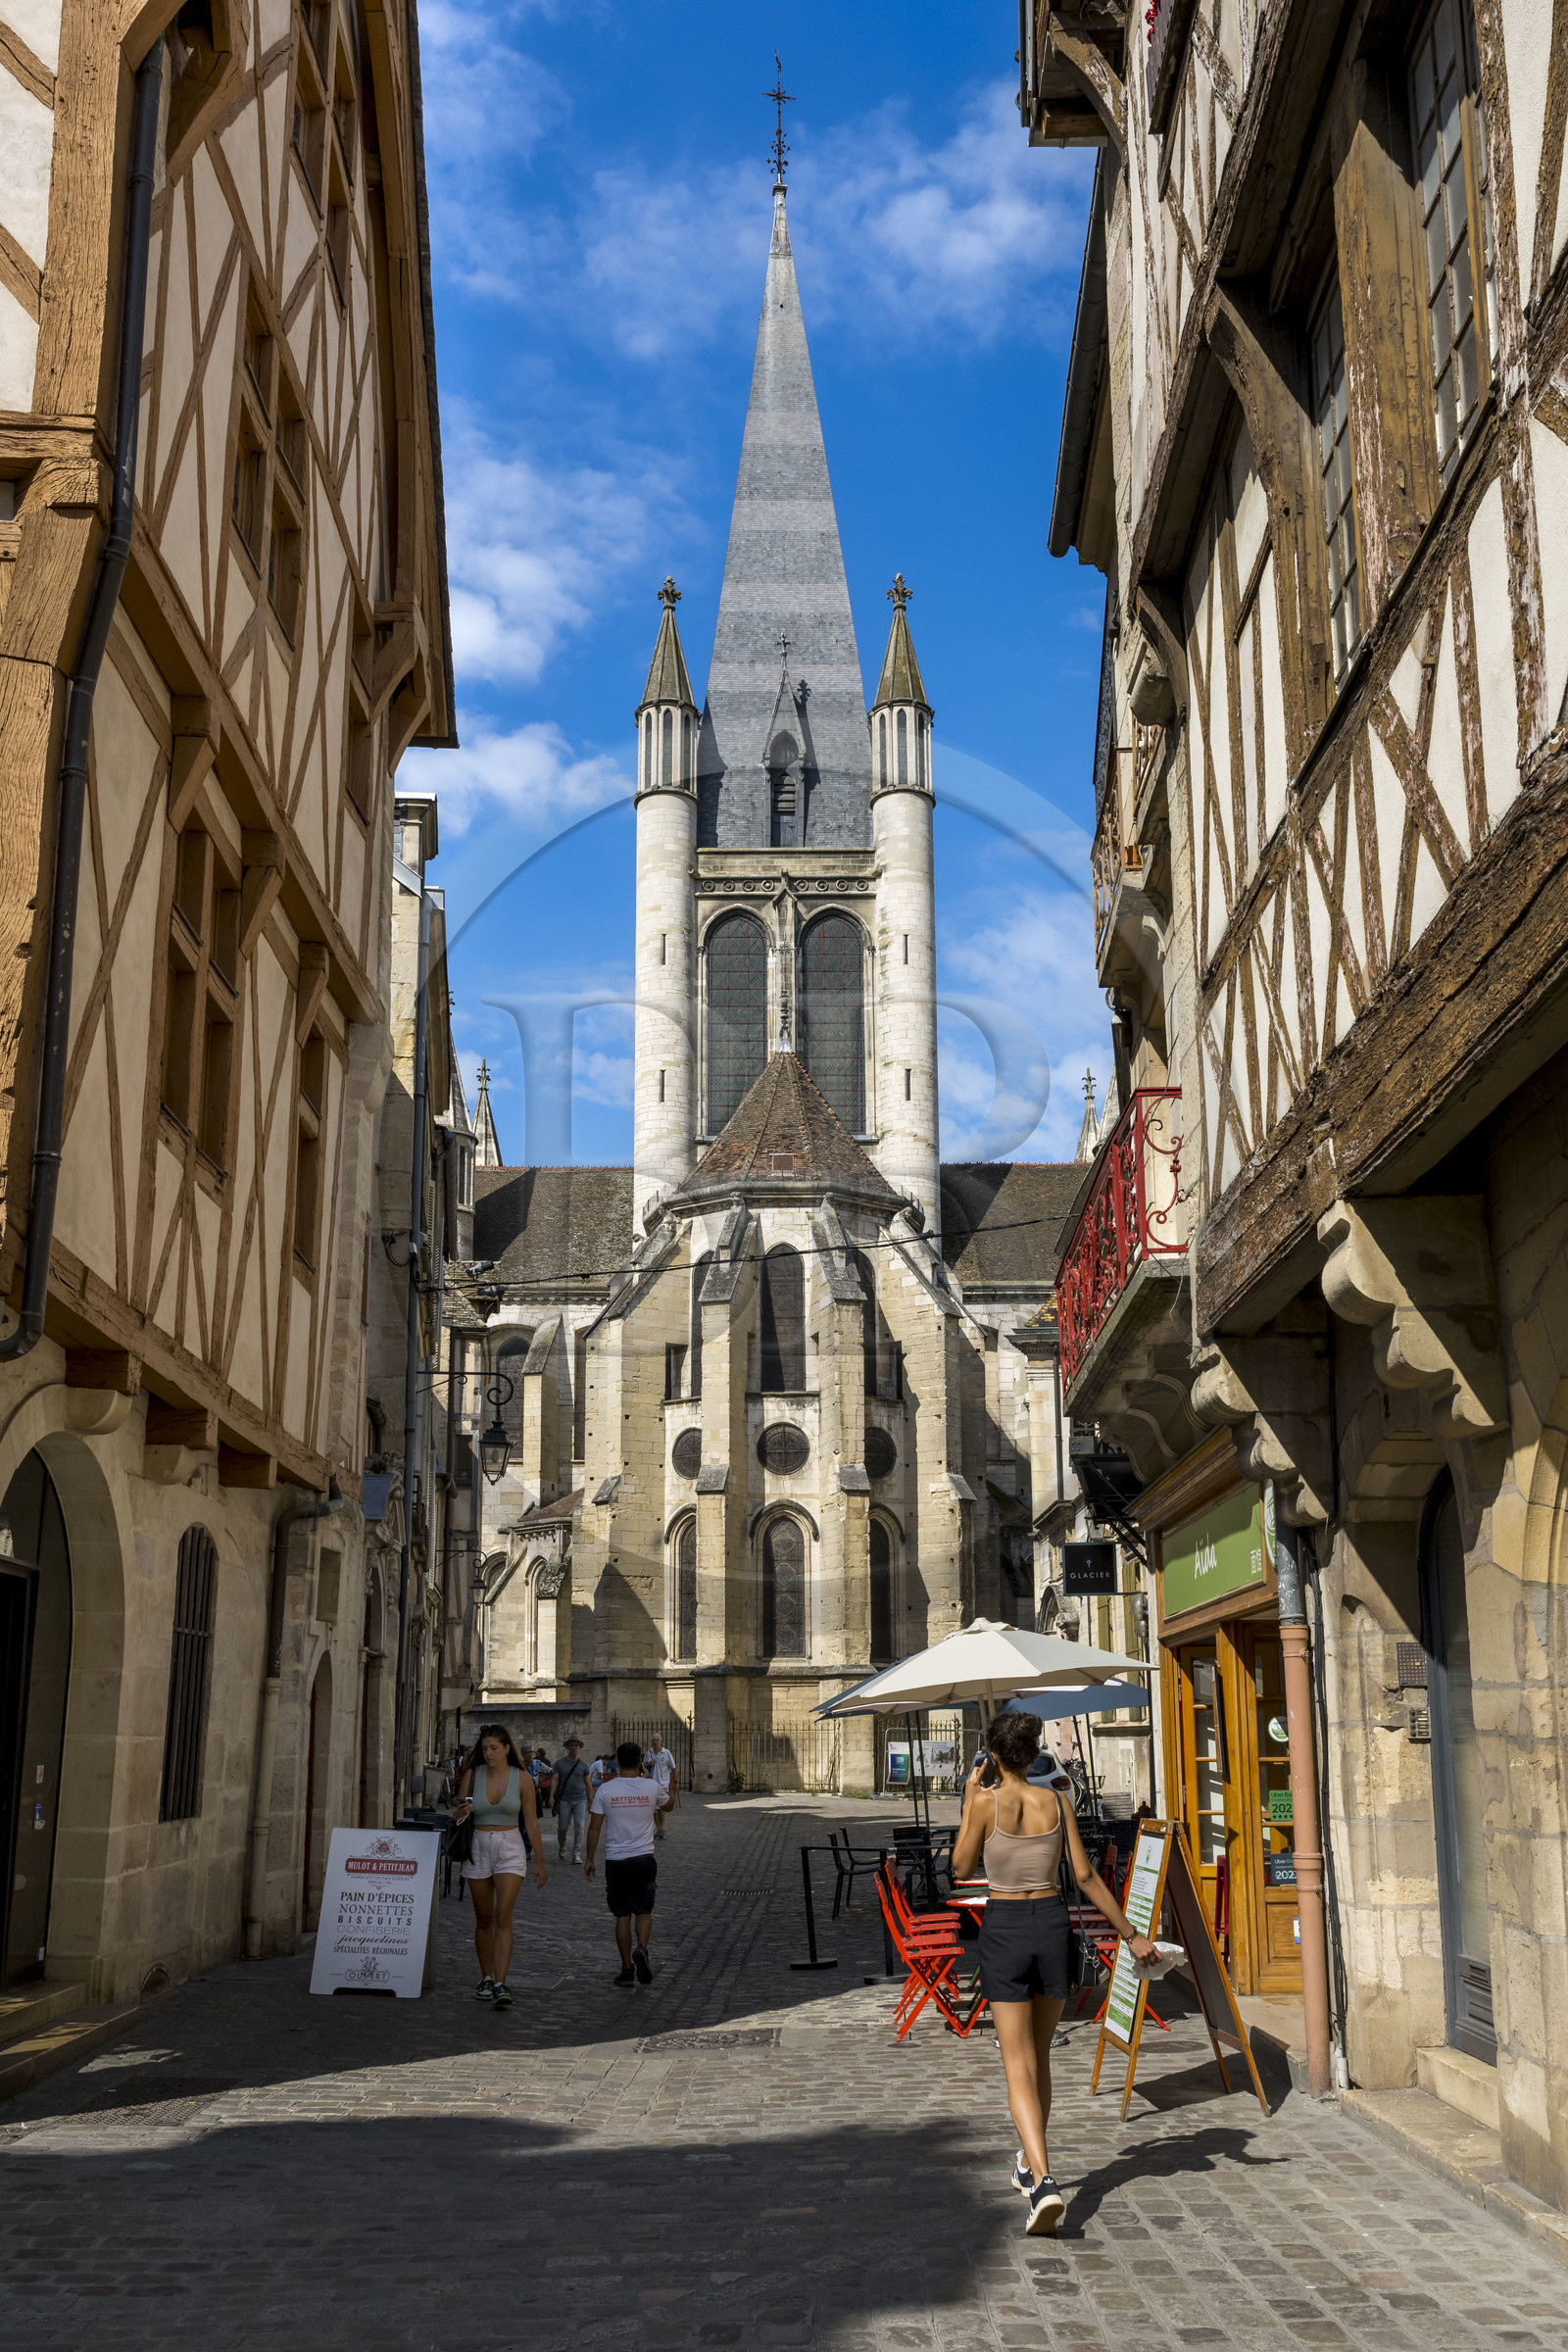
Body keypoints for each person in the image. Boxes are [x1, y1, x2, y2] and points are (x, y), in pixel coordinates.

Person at [951, 1710, 1156, 2237]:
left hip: (1005, 1926)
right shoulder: (1059, 1802)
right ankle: (1028, 2161)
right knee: (1039, 2058)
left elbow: (961, 1867)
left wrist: (969, 1797)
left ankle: (1043, 2180)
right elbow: (1084, 1877)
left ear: (993, 1755)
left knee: (1016, 2063)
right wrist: (1131, 1935)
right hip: (1050, 1925)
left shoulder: (984, 1801)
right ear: (1034, 1752)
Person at [452, 1722, 548, 2008]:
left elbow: (530, 1821)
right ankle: (485, 1976)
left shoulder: (522, 1779)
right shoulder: (473, 1774)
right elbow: (457, 1813)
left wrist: (540, 1861)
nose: (489, 1752)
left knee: (503, 1915)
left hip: (510, 1846)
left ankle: (500, 1983)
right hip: (478, 1843)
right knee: (484, 1918)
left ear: (507, 1748)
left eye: (494, 1748)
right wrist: (462, 1809)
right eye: (484, 1748)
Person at [584, 1739, 673, 1985]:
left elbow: (594, 1828)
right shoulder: (650, 1787)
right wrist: (648, 1778)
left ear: (618, 1762)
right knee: (644, 1910)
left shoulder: (605, 1790)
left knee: (622, 1915)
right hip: (643, 1857)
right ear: (640, 1762)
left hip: (616, 1860)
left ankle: (626, 1969)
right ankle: (642, 1947)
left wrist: (590, 1858)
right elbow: (671, 1806)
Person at [552, 1736, 591, 1862]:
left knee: (579, 1826)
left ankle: (576, 1853)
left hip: (580, 1799)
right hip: (564, 1799)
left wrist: (590, 1799)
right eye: (571, 1745)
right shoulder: (559, 1763)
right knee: (562, 1827)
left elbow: (587, 1783)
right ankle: (562, 1845)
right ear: (567, 1747)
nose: (574, 1747)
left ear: (579, 1748)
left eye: (576, 1745)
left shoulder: (584, 1765)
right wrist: (551, 1796)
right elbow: (555, 1780)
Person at [643, 1736, 677, 1839]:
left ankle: (662, 1828)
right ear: (651, 1741)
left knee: (662, 1806)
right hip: (651, 1783)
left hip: (663, 1784)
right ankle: (659, 1829)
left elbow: (673, 1768)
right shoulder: (648, 1753)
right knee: (654, 1808)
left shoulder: (666, 1753)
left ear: (661, 1741)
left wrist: (675, 1781)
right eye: (653, 1740)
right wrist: (649, 1763)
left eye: (657, 1740)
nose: (655, 1742)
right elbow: (643, 1766)